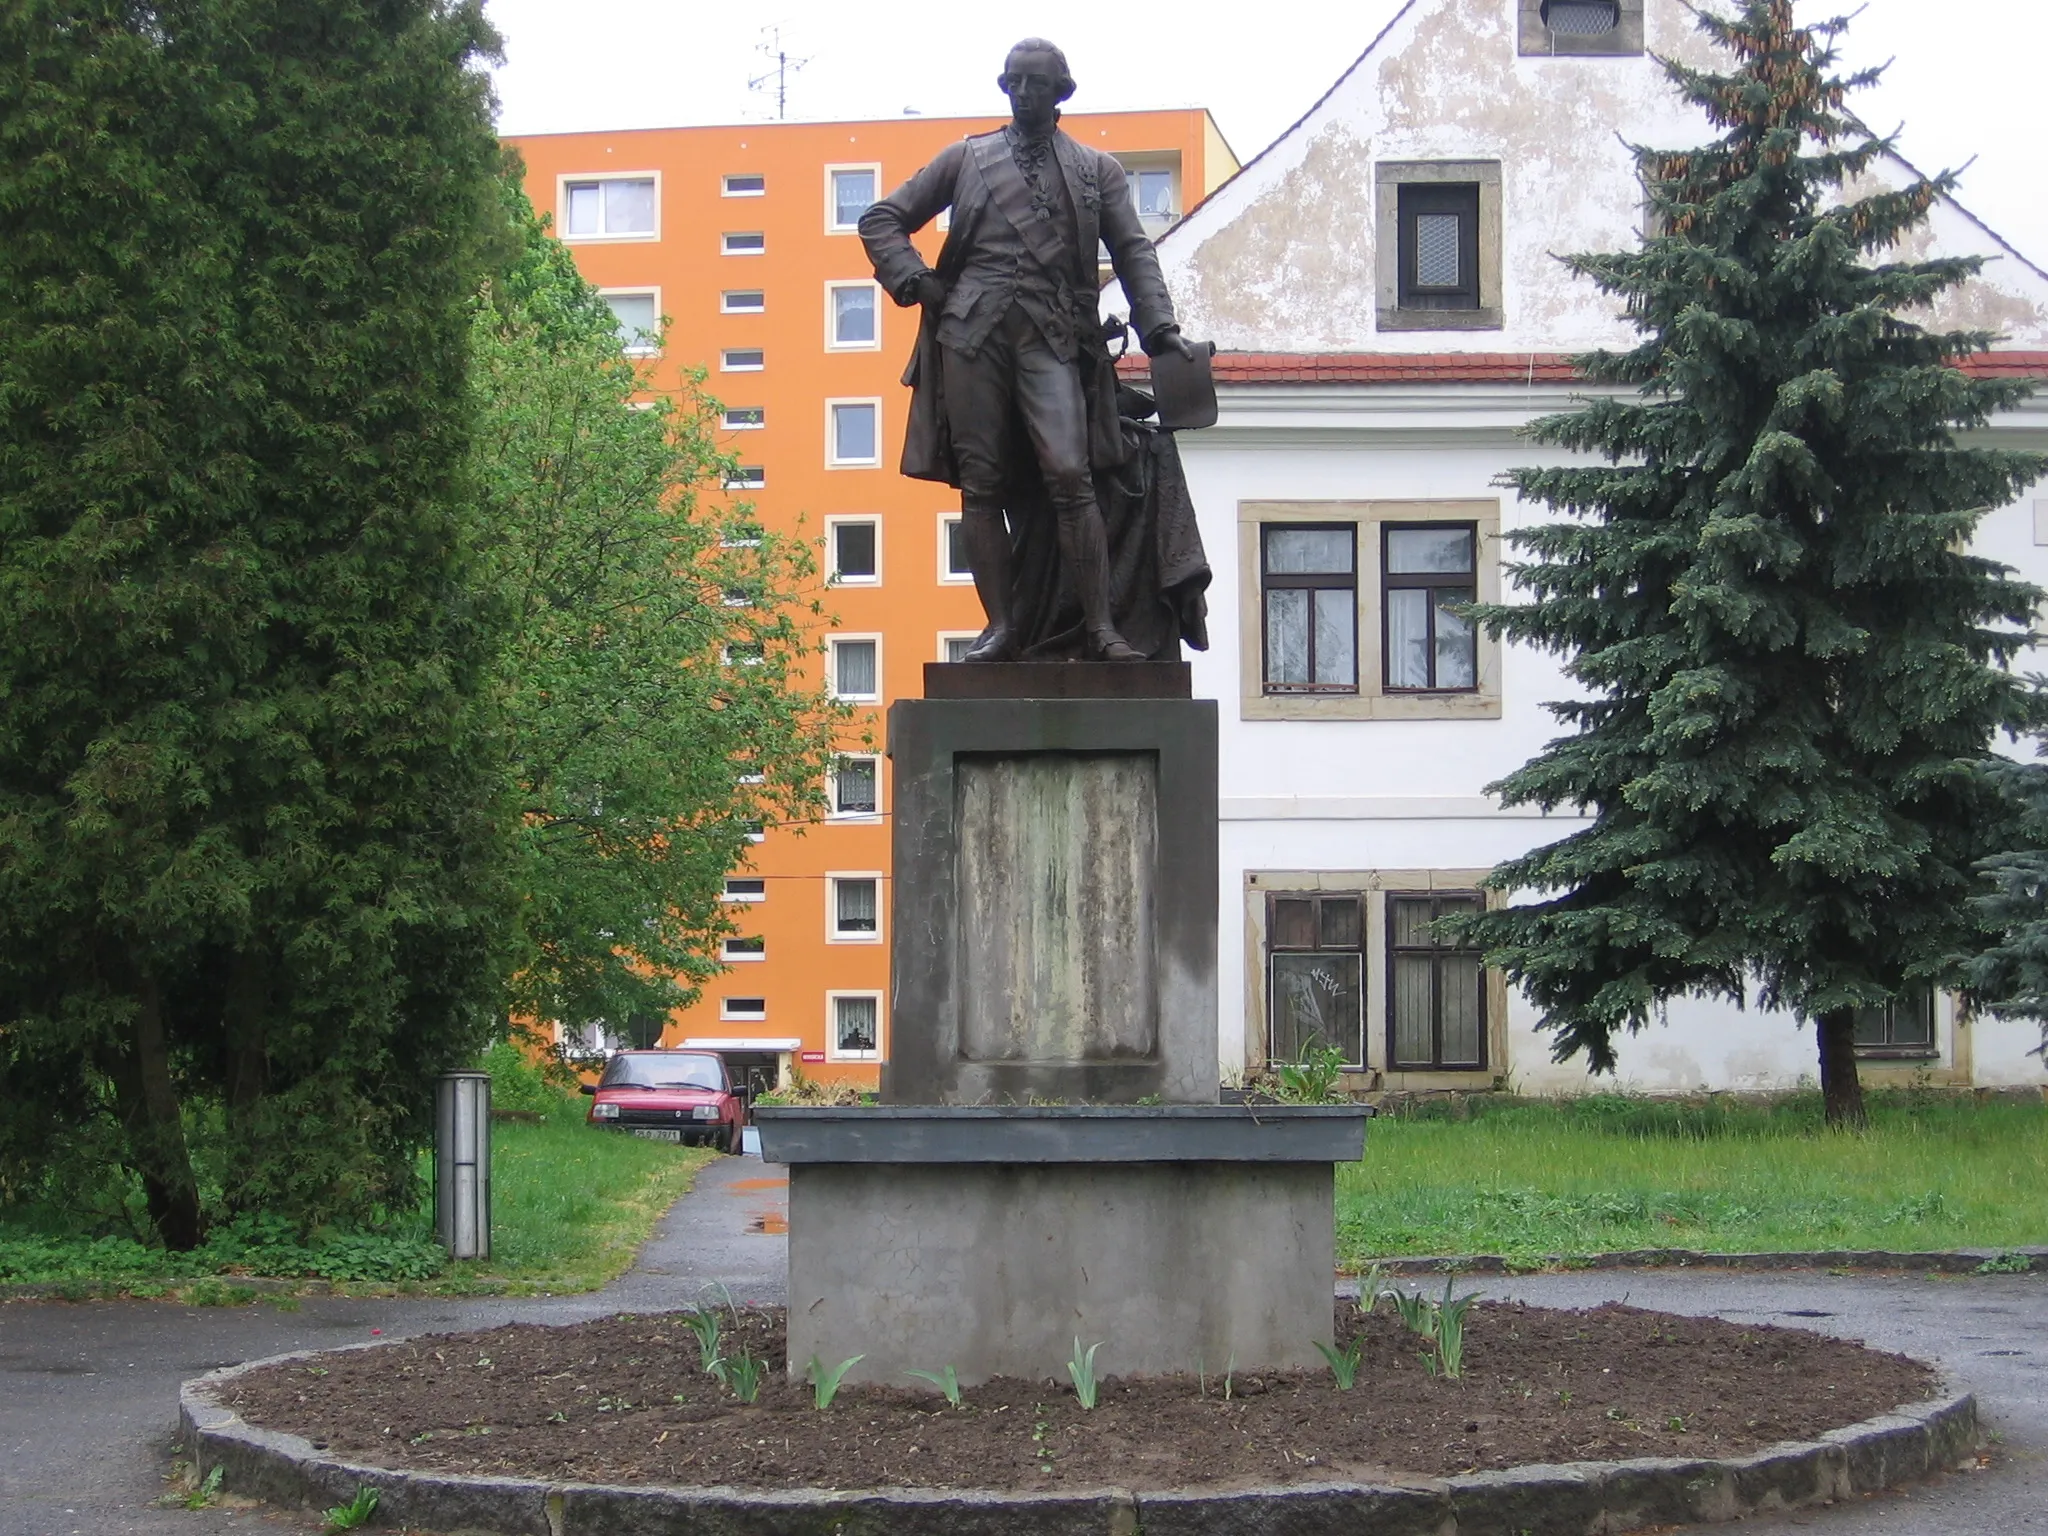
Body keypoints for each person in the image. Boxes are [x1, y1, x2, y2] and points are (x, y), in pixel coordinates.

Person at [859, 37, 1199, 663]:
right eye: (1013, 81)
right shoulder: (967, 158)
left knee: (1071, 476)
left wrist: (1160, 328)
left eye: (1036, 82)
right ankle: (1002, 629)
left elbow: (1133, 250)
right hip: (972, 338)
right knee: (982, 486)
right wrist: (921, 284)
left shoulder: (1097, 170)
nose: (1023, 93)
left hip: (1053, 339)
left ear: (1062, 90)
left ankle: (1101, 630)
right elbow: (882, 218)